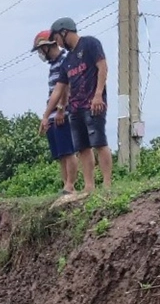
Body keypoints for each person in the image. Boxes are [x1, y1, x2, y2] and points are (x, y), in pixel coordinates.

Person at [41, 17, 113, 193]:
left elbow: (102, 67)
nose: (57, 42)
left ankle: (107, 185)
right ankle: (89, 187)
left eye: (57, 38)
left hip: (93, 103)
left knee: (99, 143)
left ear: (64, 31)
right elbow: (58, 90)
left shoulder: (90, 44)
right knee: (82, 148)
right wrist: (45, 115)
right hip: (74, 108)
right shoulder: (68, 60)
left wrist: (98, 95)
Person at [32, 30, 77, 195]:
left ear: (47, 46)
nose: (40, 54)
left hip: (63, 113)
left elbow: (66, 88)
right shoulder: (53, 65)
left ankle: (71, 185)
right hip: (53, 115)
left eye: (40, 49)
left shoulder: (65, 60)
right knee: (60, 155)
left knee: (68, 151)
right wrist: (46, 116)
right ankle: (65, 185)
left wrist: (60, 109)